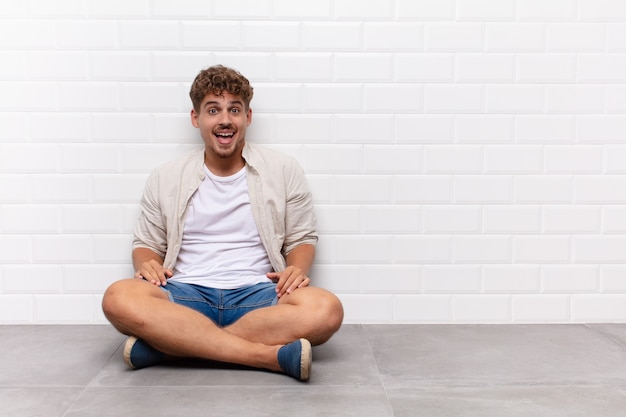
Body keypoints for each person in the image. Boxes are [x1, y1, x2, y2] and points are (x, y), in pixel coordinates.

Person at [102, 65, 344, 381]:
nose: (225, 119)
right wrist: (148, 263)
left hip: (258, 294)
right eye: (213, 110)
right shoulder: (166, 176)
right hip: (184, 293)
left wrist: (295, 268)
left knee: (326, 309)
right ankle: (265, 356)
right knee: (117, 297)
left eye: (234, 109)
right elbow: (146, 242)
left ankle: (172, 345)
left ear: (248, 116)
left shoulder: (283, 169)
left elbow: (302, 237)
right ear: (196, 118)